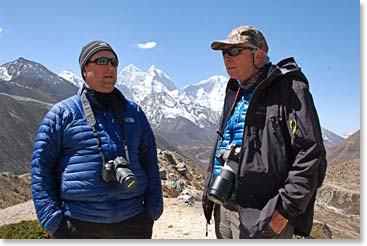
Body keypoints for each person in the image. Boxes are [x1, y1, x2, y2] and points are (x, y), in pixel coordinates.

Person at [202, 26, 327, 239]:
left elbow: (310, 154)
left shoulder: (289, 89)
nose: (226, 58)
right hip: (224, 208)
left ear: (258, 55)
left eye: (234, 51)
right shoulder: (235, 90)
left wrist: (284, 211)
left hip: (263, 215)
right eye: (224, 53)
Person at [31, 41, 163, 239]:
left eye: (113, 62)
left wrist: (152, 211)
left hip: (134, 221)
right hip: (79, 223)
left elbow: (150, 161)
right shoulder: (61, 114)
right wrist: (54, 223)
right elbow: (41, 169)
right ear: (85, 69)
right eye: (102, 61)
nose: (110, 67)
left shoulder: (134, 113)